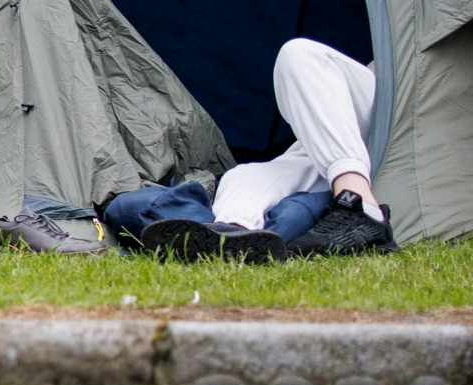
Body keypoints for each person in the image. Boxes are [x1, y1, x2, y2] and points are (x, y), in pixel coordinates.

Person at [103, 38, 397, 260]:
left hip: (402, 107)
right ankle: (232, 234)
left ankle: (360, 205)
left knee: (299, 54)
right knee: (241, 177)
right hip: (342, 135)